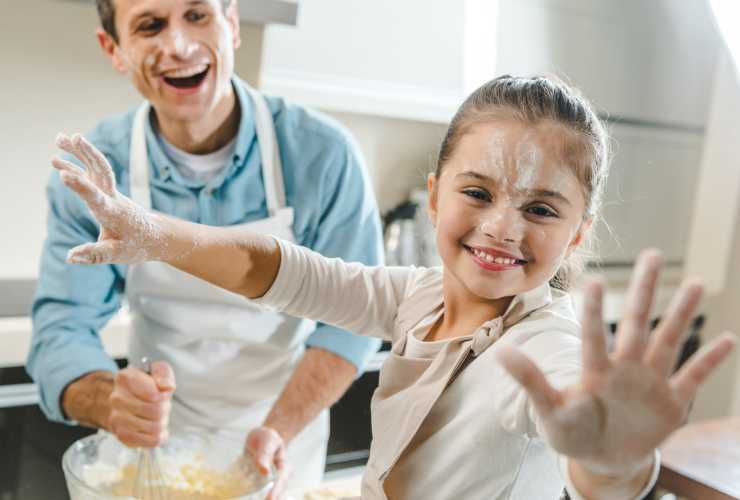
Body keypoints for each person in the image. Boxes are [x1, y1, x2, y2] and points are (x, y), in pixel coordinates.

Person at [51, 75, 736, 499]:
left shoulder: (541, 343)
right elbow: (278, 270)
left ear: (578, 234)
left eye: (540, 209)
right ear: (435, 197)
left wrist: (610, 458)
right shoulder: (418, 294)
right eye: (479, 192)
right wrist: (155, 235)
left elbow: (594, 458)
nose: (501, 228)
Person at [27, 0, 383, 493]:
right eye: (151, 25)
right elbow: (61, 329)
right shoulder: (100, 174)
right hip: (153, 451)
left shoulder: (321, 155)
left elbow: (352, 321)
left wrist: (276, 430)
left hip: (282, 439)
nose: (179, 45)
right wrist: (112, 401)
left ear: (231, 23)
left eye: (197, 15)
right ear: (114, 48)